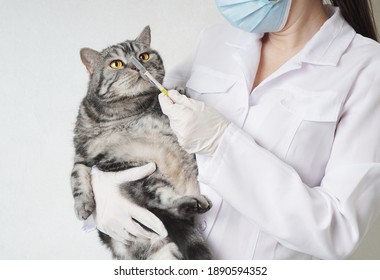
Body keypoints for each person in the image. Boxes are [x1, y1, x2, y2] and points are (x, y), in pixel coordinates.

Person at [89, 0, 380, 259]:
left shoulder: (367, 68)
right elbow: (134, 117)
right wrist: (101, 182)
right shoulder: (216, 39)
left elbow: (339, 231)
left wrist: (221, 143)